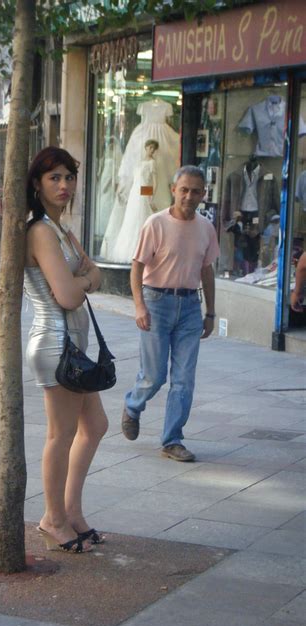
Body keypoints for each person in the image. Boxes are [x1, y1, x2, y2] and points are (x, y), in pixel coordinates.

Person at [24, 147, 108, 553]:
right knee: (62, 434)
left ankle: (71, 511)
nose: (64, 185)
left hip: (75, 343)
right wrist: (84, 279)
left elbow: (96, 274)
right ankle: (52, 518)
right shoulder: (40, 230)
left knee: (95, 426)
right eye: (54, 177)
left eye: (69, 177)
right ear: (37, 183)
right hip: (55, 342)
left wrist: (85, 278)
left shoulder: (63, 229)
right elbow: (69, 295)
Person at [121, 165, 220, 462]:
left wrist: (211, 312)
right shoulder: (155, 224)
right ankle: (132, 405)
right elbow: (137, 266)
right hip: (157, 302)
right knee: (154, 376)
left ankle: (172, 439)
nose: (189, 196)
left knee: (184, 379)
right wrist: (139, 305)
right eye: (184, 190)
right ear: (174, 190)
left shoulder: (205, 227)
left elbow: (207, 269)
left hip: (190, 306)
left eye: (196, 191)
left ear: (204, 194)